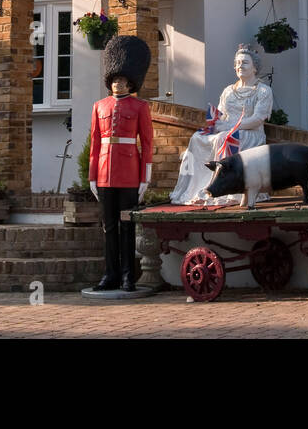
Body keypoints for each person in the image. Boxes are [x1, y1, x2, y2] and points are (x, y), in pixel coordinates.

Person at [170, 44, 273, 206]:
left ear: (255, 68)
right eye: (237, 63)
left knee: (224, 138)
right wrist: (216, 123)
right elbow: (221, 114)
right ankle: (196, 187)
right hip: (228, 129)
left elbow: (258, 119)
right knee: (197, 137)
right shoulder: (228, 91)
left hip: (249, 132)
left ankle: (219, 190)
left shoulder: (263, 91)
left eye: (245, 62)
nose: (240, 66)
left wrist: (231, 127)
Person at [89, 36, 154, 291]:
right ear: (110, 82)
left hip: (129, 175)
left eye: (123, 81)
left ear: (130, 83)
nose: (118, 84)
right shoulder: (99, 106)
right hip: (104, 175)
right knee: (109, 228)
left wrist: (144, 178)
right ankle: (110, 274)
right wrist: (92, 177)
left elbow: (147, 144)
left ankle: (128, 276)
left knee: (127, 227)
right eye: (115, 80)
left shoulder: (140, 107)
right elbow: (95, 144)